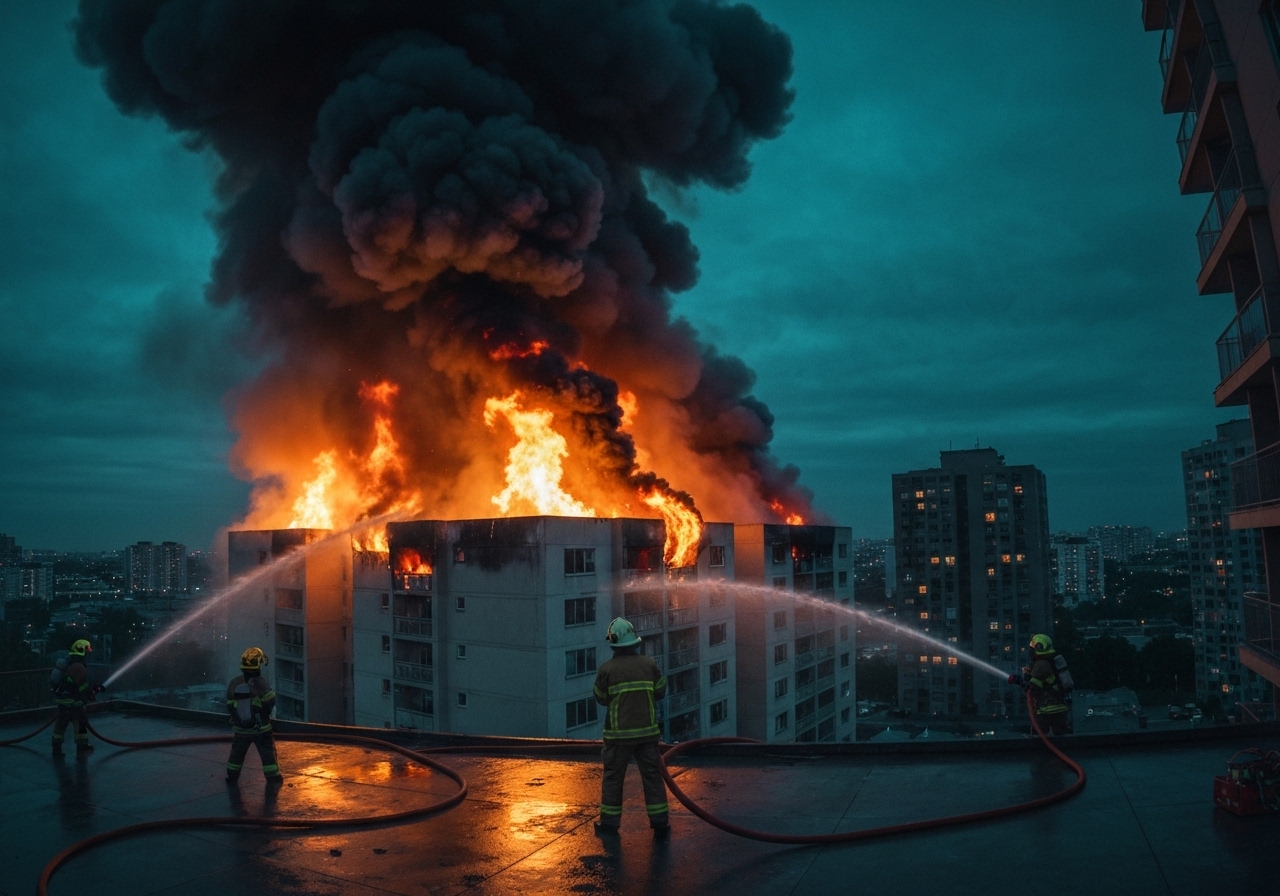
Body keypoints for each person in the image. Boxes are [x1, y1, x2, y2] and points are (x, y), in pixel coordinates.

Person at [592, 617, 670, 840]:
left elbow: (600, 698)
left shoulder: (607, 669)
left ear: (613, 644)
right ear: (635, 642)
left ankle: (609, 824)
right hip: (647, 734)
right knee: (653, 777)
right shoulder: (649, 665)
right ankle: (660, 823)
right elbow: (660, 691)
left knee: (613, 778)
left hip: (618, 737)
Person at [225, 647, 283, 785]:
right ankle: (273, 778)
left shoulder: (235, 682)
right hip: (261, 729)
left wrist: (238, 718)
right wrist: (262, 715)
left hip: (240, 729)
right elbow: (270, 701)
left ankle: (232, 777)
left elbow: (229, 705)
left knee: (236, 754)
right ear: (258, 665)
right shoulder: (261, 683)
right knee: (267, 753)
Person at [1008, 633, 1073, 736]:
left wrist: (1019, 680)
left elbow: (1031, 689)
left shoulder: (1041, 664)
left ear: (1038, 648)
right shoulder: (1051, 661)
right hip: (1061, 707)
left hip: (1046, 709)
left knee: (1037, 739)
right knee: (1062, 739)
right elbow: (1043, 682)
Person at [51, 639, 97, 757]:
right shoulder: (78, 667)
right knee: (80, 724)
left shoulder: (68, 663)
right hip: (74, 703)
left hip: (63, 702)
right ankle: (82, 748)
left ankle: (56, 749)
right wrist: (89, 693)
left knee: (60, 726)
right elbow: (80, 686)